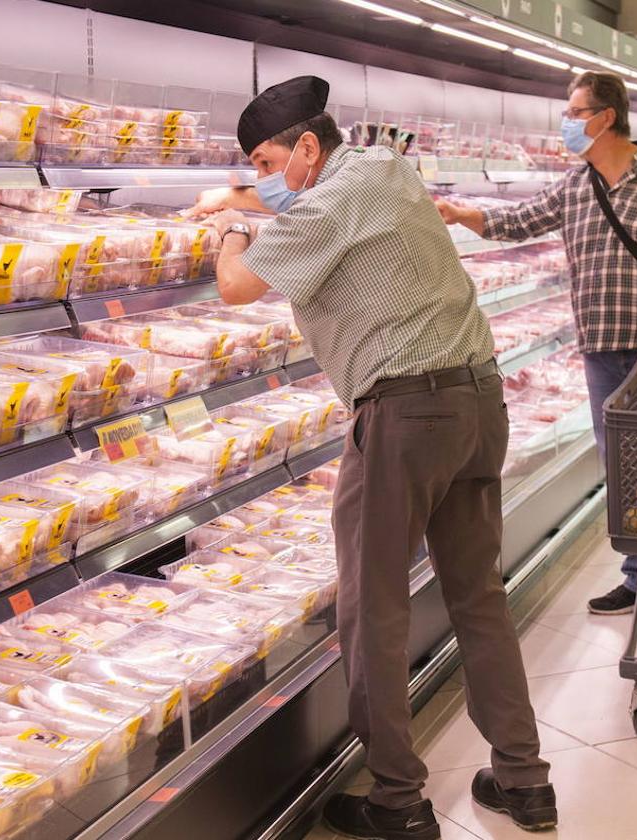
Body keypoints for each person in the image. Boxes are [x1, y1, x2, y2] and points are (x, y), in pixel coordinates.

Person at [188, 76, 557, 839]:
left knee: (374, 610)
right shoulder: (382, 167)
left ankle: (399, 801)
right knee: (478, 594)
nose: (262, 176)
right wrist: (245, 196)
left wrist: (228, 226)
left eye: (265, 160)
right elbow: (293, 203)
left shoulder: (320, 203)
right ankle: (524, 779)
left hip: (404, 416)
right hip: (477, 402)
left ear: (309, 149)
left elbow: (236, 288)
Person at [435, 72, 637, 632]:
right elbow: (517, 221)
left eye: (575, 112)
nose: (567, 123)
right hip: (603, 348)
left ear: (605, 117)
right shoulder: (577, 186)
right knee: (625, 470)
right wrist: (461, 215)